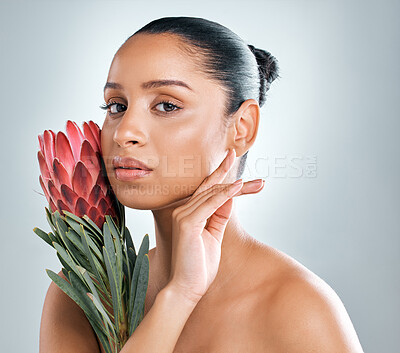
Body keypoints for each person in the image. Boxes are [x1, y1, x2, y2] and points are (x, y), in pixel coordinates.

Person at [39, 16, 364, 353]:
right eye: (117, 106)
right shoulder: (79, 294)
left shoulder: (299, 308)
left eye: (167, 105)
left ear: (242, 128)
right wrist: (179, 295)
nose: (124, 133)